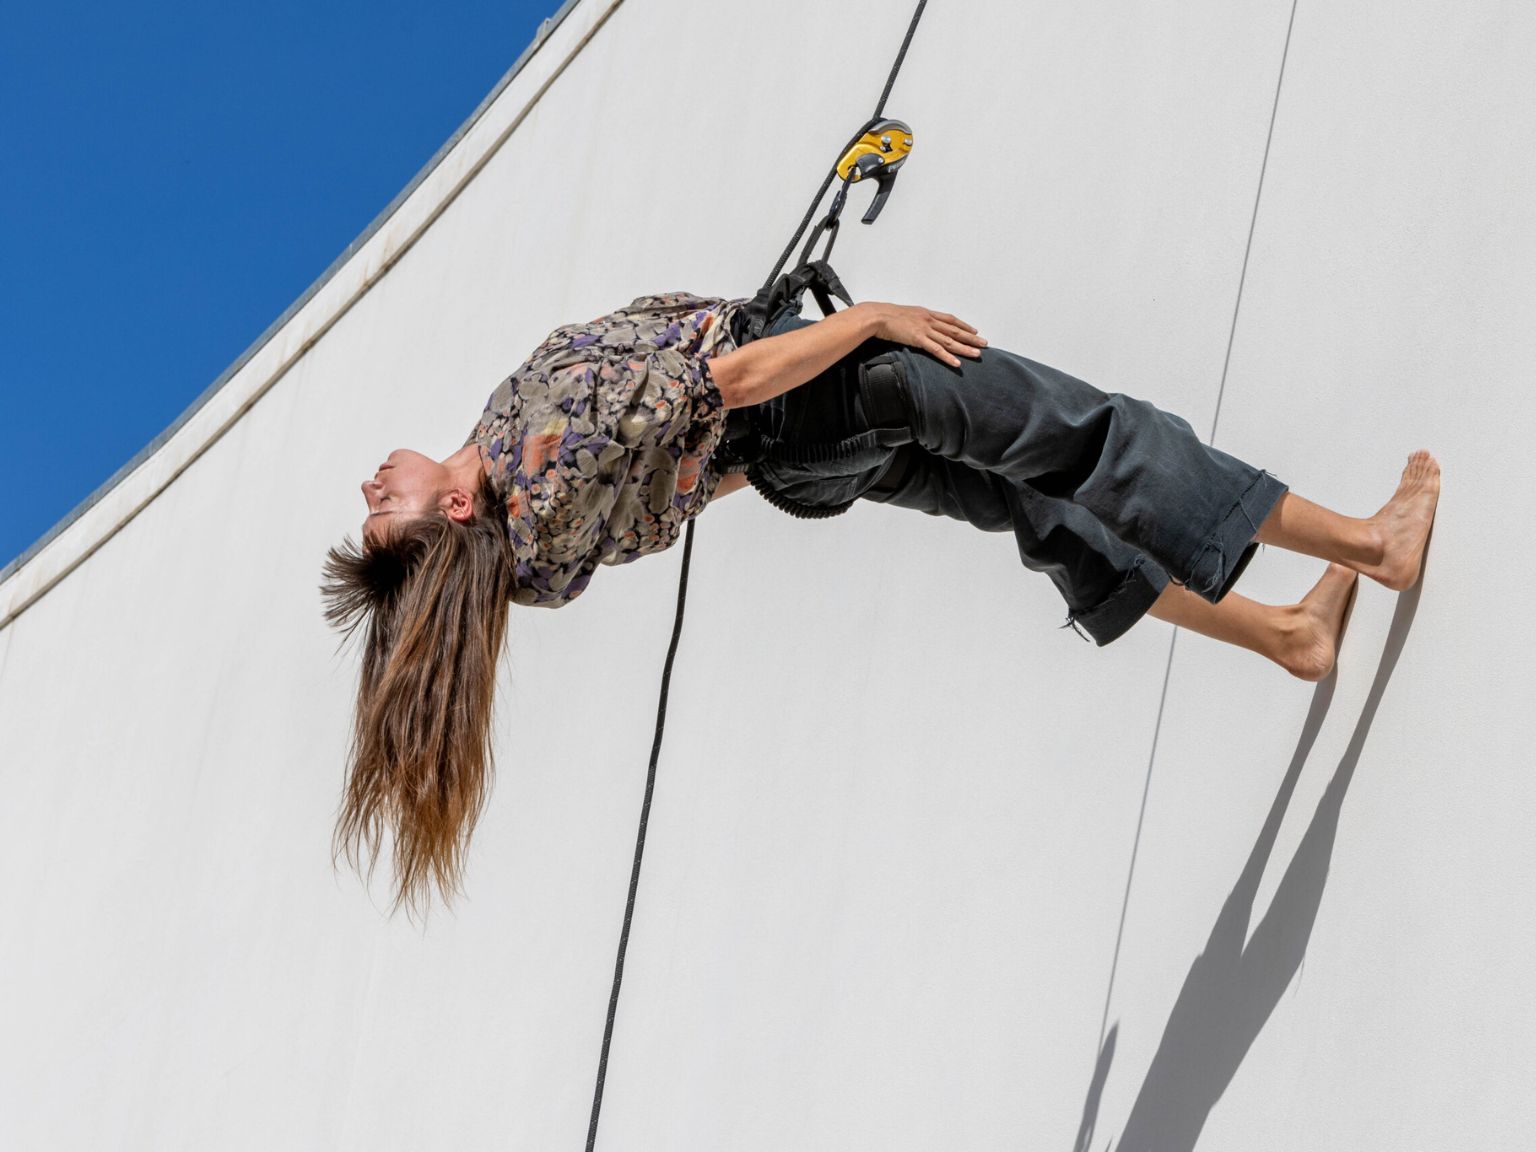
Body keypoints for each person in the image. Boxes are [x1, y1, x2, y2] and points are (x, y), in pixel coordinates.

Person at [321, 290, 1440, 916]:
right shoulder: (540, 466)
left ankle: (1288, 634)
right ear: (454, 511)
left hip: (799, 455)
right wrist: (871, 323)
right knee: (1082, 433)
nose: (376, 488)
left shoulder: (527, 535)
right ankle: (1366, 543)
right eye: (390, 512)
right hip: (812, 398)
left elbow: (684, 464)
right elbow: (728, 383)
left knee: (1035, 509)